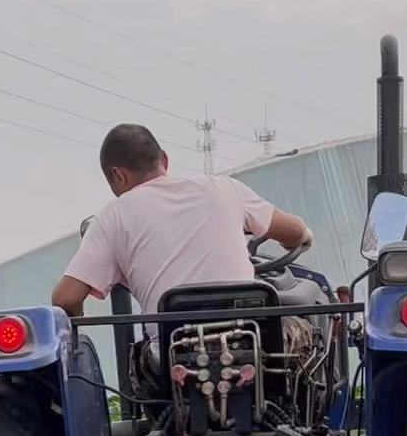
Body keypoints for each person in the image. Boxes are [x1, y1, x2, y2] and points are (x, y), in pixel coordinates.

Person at [51, 124, 312, 338]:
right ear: (164, 159)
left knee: (139, 355)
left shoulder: (111, 216)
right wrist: (301, 238)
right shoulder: (224, 188)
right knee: (310, 330)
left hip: (171, 358)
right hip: (250, 342)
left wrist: (77, 329)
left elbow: (65, 298)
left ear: (118, 175)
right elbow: (294, 232)